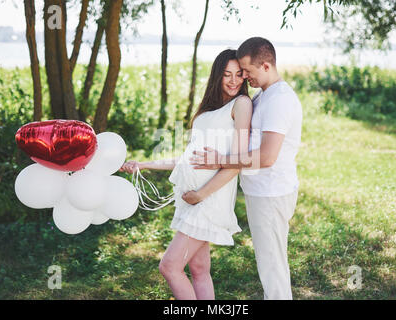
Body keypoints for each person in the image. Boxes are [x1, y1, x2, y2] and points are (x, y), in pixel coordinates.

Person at [120, 49, 253, 300]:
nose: (234, 80)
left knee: (169, 267)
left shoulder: (241, 104)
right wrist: (145, 164)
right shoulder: (209, 110)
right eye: (227, 75)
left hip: (208, 201)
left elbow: (236, 163)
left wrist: (200, 195)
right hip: (192, 200)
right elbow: (187, 159)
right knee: (199, 269)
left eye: (239, 75)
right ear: (217, 76)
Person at [189, 37, 303, 300]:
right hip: (261, 192)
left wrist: (220, 160)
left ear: (265, 66)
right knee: (270, 262)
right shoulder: (265, 95)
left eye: (248, 71)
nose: (245, 78)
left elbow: (267, 156)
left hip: (271, 193)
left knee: (272, 265)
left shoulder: (280, 101)